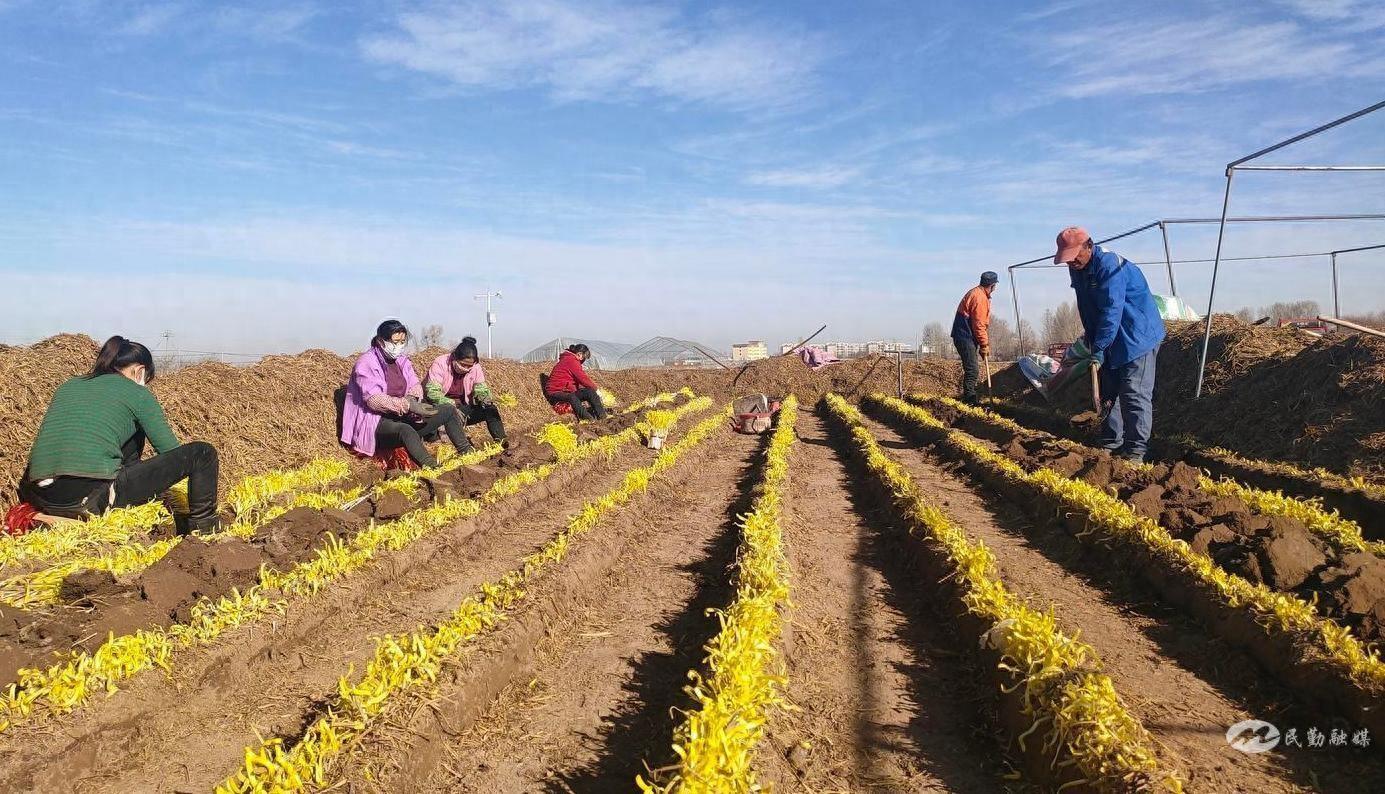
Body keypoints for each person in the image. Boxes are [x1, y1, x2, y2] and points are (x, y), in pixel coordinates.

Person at [19, 336, 221, 532]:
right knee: (202, 454)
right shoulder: (137, 393)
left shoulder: (68, 386)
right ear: (140, 371)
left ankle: (52, 517)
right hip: (89, 497)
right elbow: (169, 450)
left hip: (40, 496)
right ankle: (204, 527)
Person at [1054, 226, 1166, 463]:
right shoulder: (1079, 270)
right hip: (1110, 336)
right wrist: (1094, 343)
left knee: (1133, 392)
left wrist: (1101, 345)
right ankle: (1111, 443)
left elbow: (1111, 310)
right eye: (1068, 260)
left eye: (1074, 256)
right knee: (1109, 393)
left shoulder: (1109, 266)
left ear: (1089, 246)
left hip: (1137, 335)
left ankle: (1136, 451)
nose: (1071, 263)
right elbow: (1087, 308)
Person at [340, 320, 473, 468]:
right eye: (395, 342)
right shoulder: (366, 363)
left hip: (403, 415)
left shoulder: (402, 360)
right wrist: (407, 405)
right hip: (377, 422)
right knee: (405, 430)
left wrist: (413, 399)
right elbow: (373, 400)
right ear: (380, 341)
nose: (399, 346)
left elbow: (414, 384)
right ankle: (431, 467)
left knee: (447, 409)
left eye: (402, 342)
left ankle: (466, 451)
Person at [424, 336, 506, 446]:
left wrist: (483, 397)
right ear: (454, 358)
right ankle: (435, 439)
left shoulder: (475, 367)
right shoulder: (440, 363)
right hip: (441, 409)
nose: (466, 368)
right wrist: (451, 404)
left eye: (469, 366)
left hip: (462, 410)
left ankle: (502, 442)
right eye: (463, 364)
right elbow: (432, 393)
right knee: (436, 415)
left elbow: (481, 388)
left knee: (490, 409)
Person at [950, 271, 999, 404]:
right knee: (972, 369)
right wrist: (984, 345)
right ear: (993, 285)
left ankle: (970, 397)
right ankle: (970, 400)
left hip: (966, 336)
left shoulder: (977, 293)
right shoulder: (980, 298)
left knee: (972, 368)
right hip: (965, 336)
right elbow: (979, 325)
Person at [545, 344, 607, 420]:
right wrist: (596, 389)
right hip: (556, 391)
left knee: (589, 392)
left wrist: (592, 390)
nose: (583, 360)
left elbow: (577, 381)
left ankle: (602, 416)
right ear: (579, 354)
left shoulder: (572, 360)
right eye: (584, 357)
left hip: (566, 390)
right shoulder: (571, 361)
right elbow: (583, 379)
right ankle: (588, 419)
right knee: (572, 397)